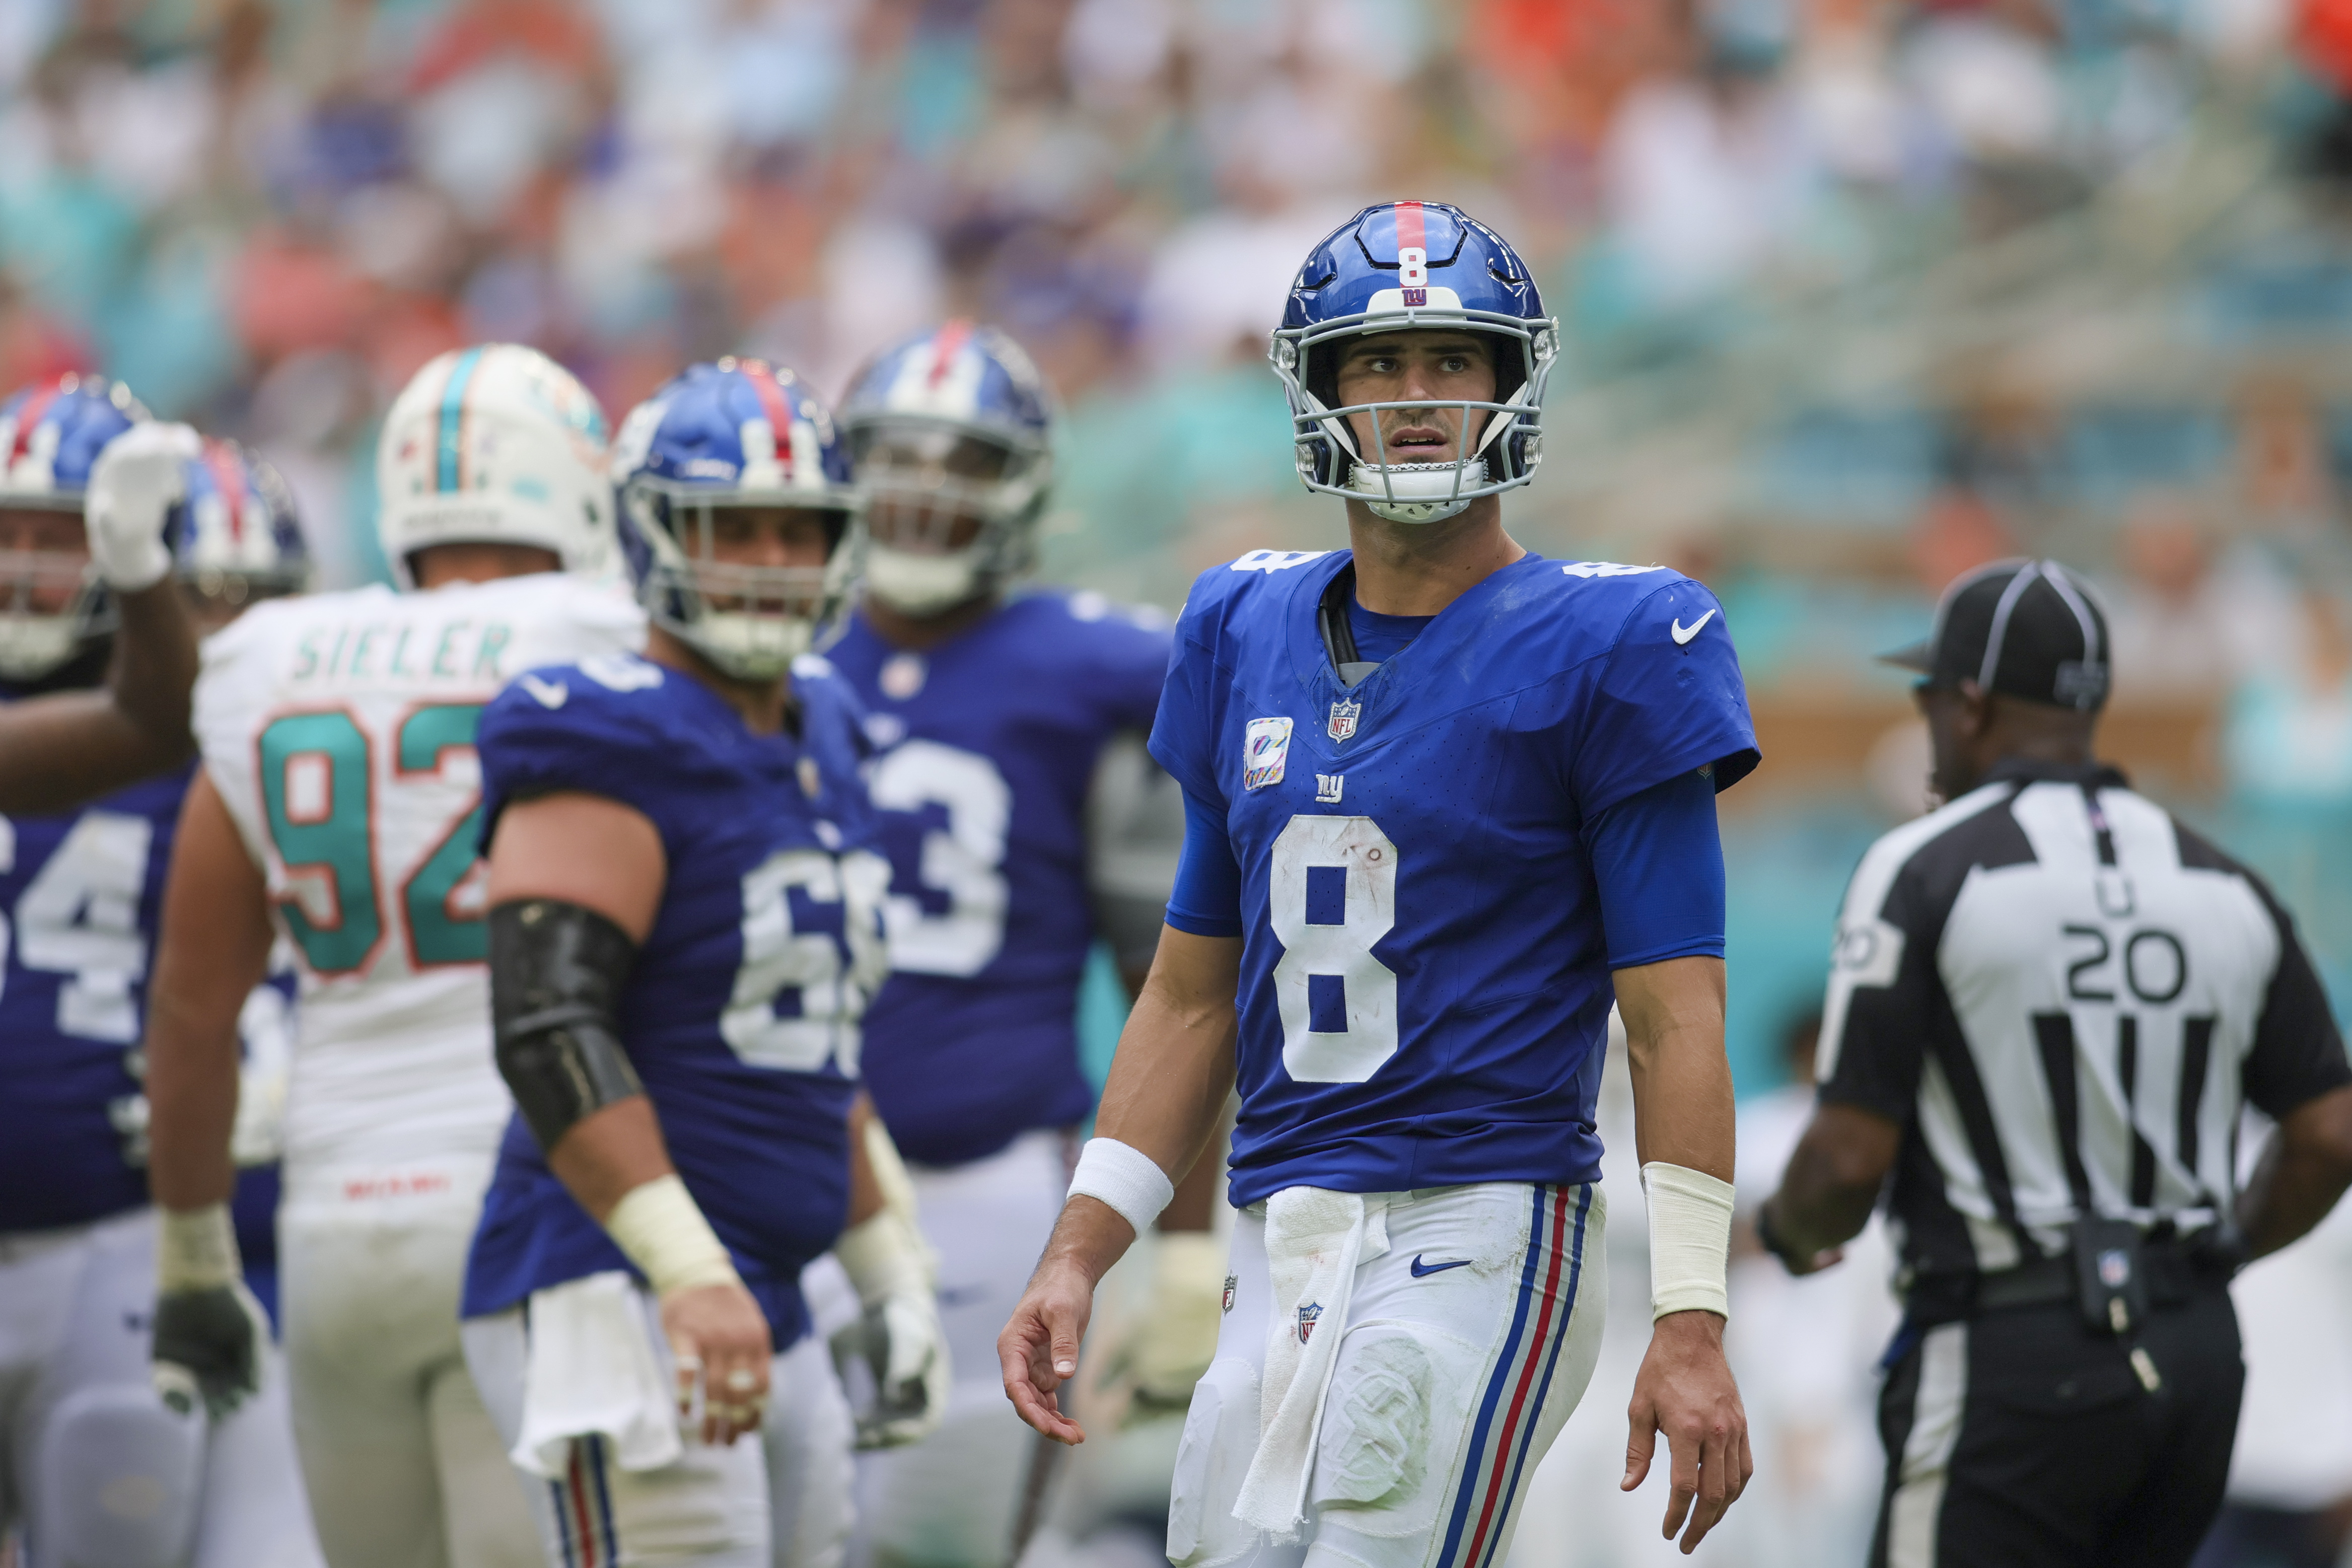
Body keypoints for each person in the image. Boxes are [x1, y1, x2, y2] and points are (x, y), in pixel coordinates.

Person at [997, 199, 1761, 1564]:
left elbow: (1672, 1014)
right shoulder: (1238, 623)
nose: (1415, 399)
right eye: (1377, 364)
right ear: (1316, 390)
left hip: (1480, 1220)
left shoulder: (1615, 636)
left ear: (1506, 385)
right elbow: (1186, 994)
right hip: (1276, 1231)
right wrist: (1077, 1248)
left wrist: (1689, 1318)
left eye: (1450, 362)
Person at [141, 342, 639, 1568]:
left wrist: (195, 1249)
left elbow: (193, 1008)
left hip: (333, 1223)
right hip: (523, 1196)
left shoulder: (276, 660)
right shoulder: (601, 637)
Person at [1758, 558, 2352, 1568]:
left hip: (2008, 1348)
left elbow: (1848, 1161)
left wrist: (1789, 1227)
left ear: (1972, 702)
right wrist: (2216, 1254)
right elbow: (2328, 1133)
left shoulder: (1925, 866)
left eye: (1931, 697)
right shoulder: (2221, 878)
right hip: (2193, 1357)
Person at [456, 359, 944, 1567]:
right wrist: (686, 1268)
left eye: (800, 530)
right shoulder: (610, 725)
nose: (769, 558)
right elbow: (547, 1022)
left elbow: (808, 1040)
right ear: (652, 529)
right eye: (735, 528)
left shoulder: (822, 721)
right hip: (617, 1283)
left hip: (768, 1286)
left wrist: (892, 1270)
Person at [827, 320, 1209, 1564]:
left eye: (966, 462)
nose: (928, 490)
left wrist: (1189, 1241)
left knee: (941, 1543)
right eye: (898, 457)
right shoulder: (775, 658)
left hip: (985, 1181)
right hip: (775, 1181)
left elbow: (1175, 977)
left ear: (1026, 485)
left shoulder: (1097, 664)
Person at [0, 383, 326, 1568]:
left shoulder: (217, 732)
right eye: (10, 529)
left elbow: (154, 710)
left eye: (61, 532)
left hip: (126, 1223)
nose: (29, 567)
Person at [0, 373, 204, 812]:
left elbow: (155, 720)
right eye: (2, 538)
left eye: (55, 542)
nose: (18, 574)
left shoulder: (201, 719)